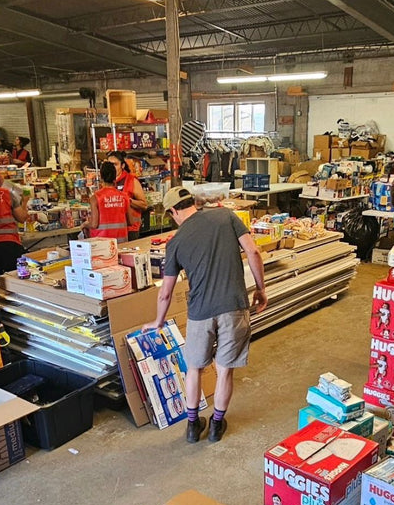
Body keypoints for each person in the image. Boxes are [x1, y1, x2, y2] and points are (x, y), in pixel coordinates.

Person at [145, 186, 267, 444]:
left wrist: (157, 321)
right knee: (224, 370)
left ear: (173, 211)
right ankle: (216, 425)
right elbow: (253, 252)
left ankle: (192, 426)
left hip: (200, 313)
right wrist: (260, 289)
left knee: (194, 369)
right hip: (234, 306)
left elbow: (165, 293)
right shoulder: (226, 217)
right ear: (193, 202)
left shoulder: (175, 242)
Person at [83, 161, 134, 242]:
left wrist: (85, 224)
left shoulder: (95, 198)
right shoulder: (124, 197)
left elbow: (94, 224)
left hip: (102, 244)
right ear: (115, 177)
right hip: (121, 242)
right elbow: (131, 221)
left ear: (101, 178)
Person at [106, 151, 148, 240]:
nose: (112, 168)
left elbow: (144, 205)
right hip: (111, 230)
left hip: (130, 230)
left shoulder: (131, 181)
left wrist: (127, 200)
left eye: (115, 164)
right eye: (109, 165)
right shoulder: (106, 182)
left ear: (123, 166)